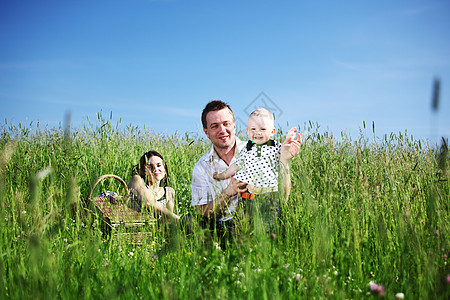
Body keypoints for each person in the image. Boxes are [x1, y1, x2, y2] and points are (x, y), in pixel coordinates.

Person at [191, 100, 301, 245]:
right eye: (215, 126)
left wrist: (284, 162)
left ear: (234, 125)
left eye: (226, 123)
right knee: (189, 222)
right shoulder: (202, 167)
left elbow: (283, 197)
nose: (222, 130)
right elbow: (202, 212)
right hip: (221, 229)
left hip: (258, 220)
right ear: (206, 132)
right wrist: (227, 193)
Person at [213, 107, 302, 229]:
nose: (257, 132)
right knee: (243, 228)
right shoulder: (247, 148)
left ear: (272, 131)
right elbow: (236, 165)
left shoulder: (276, 147)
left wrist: (289, 146)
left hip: (268, 199)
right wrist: (222, 175)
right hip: (247, 198)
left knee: (267, 228)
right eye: (253, 129)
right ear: (247, 130)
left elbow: (284, 160)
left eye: (263, 129)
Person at [129, 151, 180, 221]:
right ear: (143, 170)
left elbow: (168, 219)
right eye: (150, 167)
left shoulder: (169, 192)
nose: (155, 169)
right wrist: (179, 218)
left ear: (164, 169)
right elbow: (149, 202)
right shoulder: (136, 180)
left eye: (159, 165)